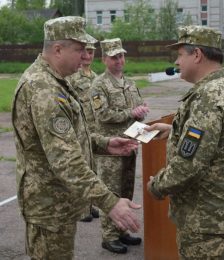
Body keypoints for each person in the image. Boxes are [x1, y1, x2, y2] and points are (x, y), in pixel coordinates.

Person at [11, 16, 141, 260]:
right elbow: (65, 160)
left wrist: (104, 143)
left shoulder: (55, 81)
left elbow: (69, 135)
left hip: (59, 201)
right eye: (80, 49)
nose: (85, 56)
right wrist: (110, 203)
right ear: (57, 49)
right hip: (49, 207)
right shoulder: (44, 90)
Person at [145, 25, 224, 259]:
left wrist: (157, 186)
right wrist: (174, 129)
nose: (176, 62)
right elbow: (223, 139)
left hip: (208, 223)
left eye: (180, 54)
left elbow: (188, 165)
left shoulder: (207, 97)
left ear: (197, 55)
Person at [89, 38, 149, 254]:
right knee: (111, 193)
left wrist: (141, 111)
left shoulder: (130, 83)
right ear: (104, 59)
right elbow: (102, 114)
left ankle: (122, 230)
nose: (119, 60)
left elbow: (138, 108)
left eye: (121, 55)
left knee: (126, 190)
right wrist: (130, 113)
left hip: (130, 145)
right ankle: (109, 236)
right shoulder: (99, 85)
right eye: (114, 57)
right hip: (110, 149)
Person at [67, 34, 99, 222]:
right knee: (80, 167)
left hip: (93, 129)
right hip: (78, 128)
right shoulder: (73, 76)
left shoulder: (95, 77)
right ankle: (80, 207)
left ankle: (89, 204)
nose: (89, 55)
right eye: (86, 51)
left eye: (92, 51)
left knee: (92, 167)